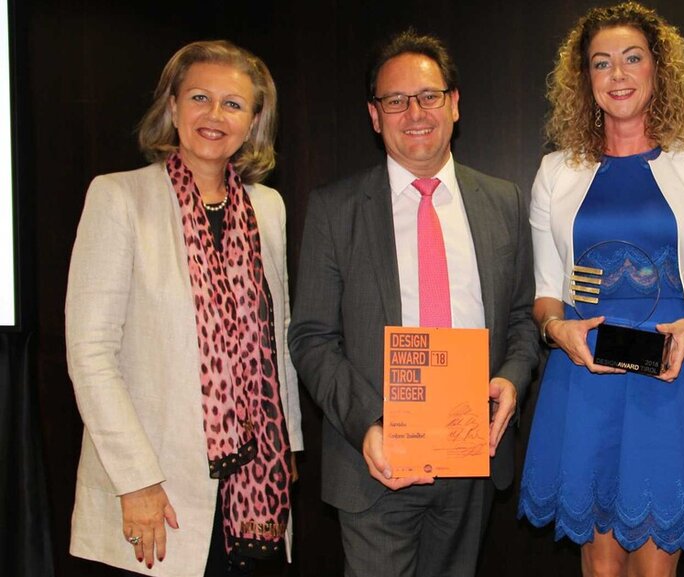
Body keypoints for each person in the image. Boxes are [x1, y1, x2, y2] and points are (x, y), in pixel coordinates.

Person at [288, 29, 540, 577]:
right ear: (374, 116)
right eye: (395, 100)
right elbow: (311, 338)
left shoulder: (502, 201)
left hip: (473, 458)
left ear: (454, 103)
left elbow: (523, 319)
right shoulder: (335, 210)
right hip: (375, 462)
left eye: (428, 96)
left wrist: (512, 380)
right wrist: (369, 424)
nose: (415, 113)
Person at [517, 3, 684, 575]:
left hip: (673, 373)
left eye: (632, 58)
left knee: (655, 568)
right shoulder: (555, 172)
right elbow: (545, 293)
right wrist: (556, 328)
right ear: (585, 79)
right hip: (584, 374)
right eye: (601, 63)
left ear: (657, 69)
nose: (617, 74)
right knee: (599, 568)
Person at [65, 40, 302, 576]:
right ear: (172, 107)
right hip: (156, 486)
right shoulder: (119, 198)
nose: (214, 115)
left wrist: (287, 444)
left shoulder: (268, 207)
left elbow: (277, 334)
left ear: (254, 121)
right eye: (199, 97)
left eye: (233, 104)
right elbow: (90, 354)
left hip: (253, 484)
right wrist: (136, 480)